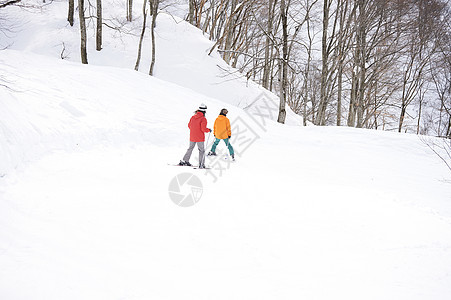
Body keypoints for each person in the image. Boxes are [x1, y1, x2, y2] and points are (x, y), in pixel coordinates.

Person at [179, 103, 212, 168]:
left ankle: (185, 160)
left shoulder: (193, 117)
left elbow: (189, 125)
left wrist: (194, 130)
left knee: (190, 148)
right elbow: (203, 129)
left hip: (192, 136)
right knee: (201, 150)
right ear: (204, 111)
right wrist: (208, 130)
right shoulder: (203, 119)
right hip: (199, 138)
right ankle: (201, 164)